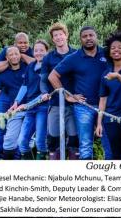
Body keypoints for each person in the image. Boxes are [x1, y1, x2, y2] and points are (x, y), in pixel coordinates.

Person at [48, 26, 109, 160]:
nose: (88, 38)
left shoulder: (106, 54)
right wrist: (67, 95)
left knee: (108, 144)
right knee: (86, 145)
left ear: (96, 36)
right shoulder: (74, 57)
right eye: (84, 36)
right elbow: (52, 76)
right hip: (83, 107)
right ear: (80, 39)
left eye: (91, 35)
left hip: (106, 106)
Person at [39, 22, 78, 160]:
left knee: (74, 140)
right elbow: (44, 80)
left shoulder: (76, 54)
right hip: (55, 103)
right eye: (55, 35)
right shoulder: (48, 58)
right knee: (53, 140)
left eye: (61, 34)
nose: (58, 37)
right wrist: (44, 93)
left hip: (74, 104)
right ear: (52, 39)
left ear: (66, 35)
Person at [95, 32, 121, 160]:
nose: (116, 50)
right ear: (109, 51)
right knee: (117, 155)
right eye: (113, 48)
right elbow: (102, 101)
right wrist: (99, 123)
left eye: (119, 47)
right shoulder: (106, 73)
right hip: (110, 120)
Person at [0, 46, 26, 160]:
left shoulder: (27, 68)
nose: (14, 56)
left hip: (29, 107)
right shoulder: (3, 74)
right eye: (11, 54)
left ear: (20, 55)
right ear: (7, 58)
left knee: (24, 137)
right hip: (14, 109)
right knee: (6, 133)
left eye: (16, 53)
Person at [11, 40, 51, 160]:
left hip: (43, 108)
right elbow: (24, 85)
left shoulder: (49, 68)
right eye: (36, 50)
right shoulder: (30, 66)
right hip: (30, 109)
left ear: (47, 51)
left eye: (41, 50)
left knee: (39, 141)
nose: (38, 53)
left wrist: (27, 105)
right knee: (22, 142)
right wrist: (16, 102)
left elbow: (46, 93)